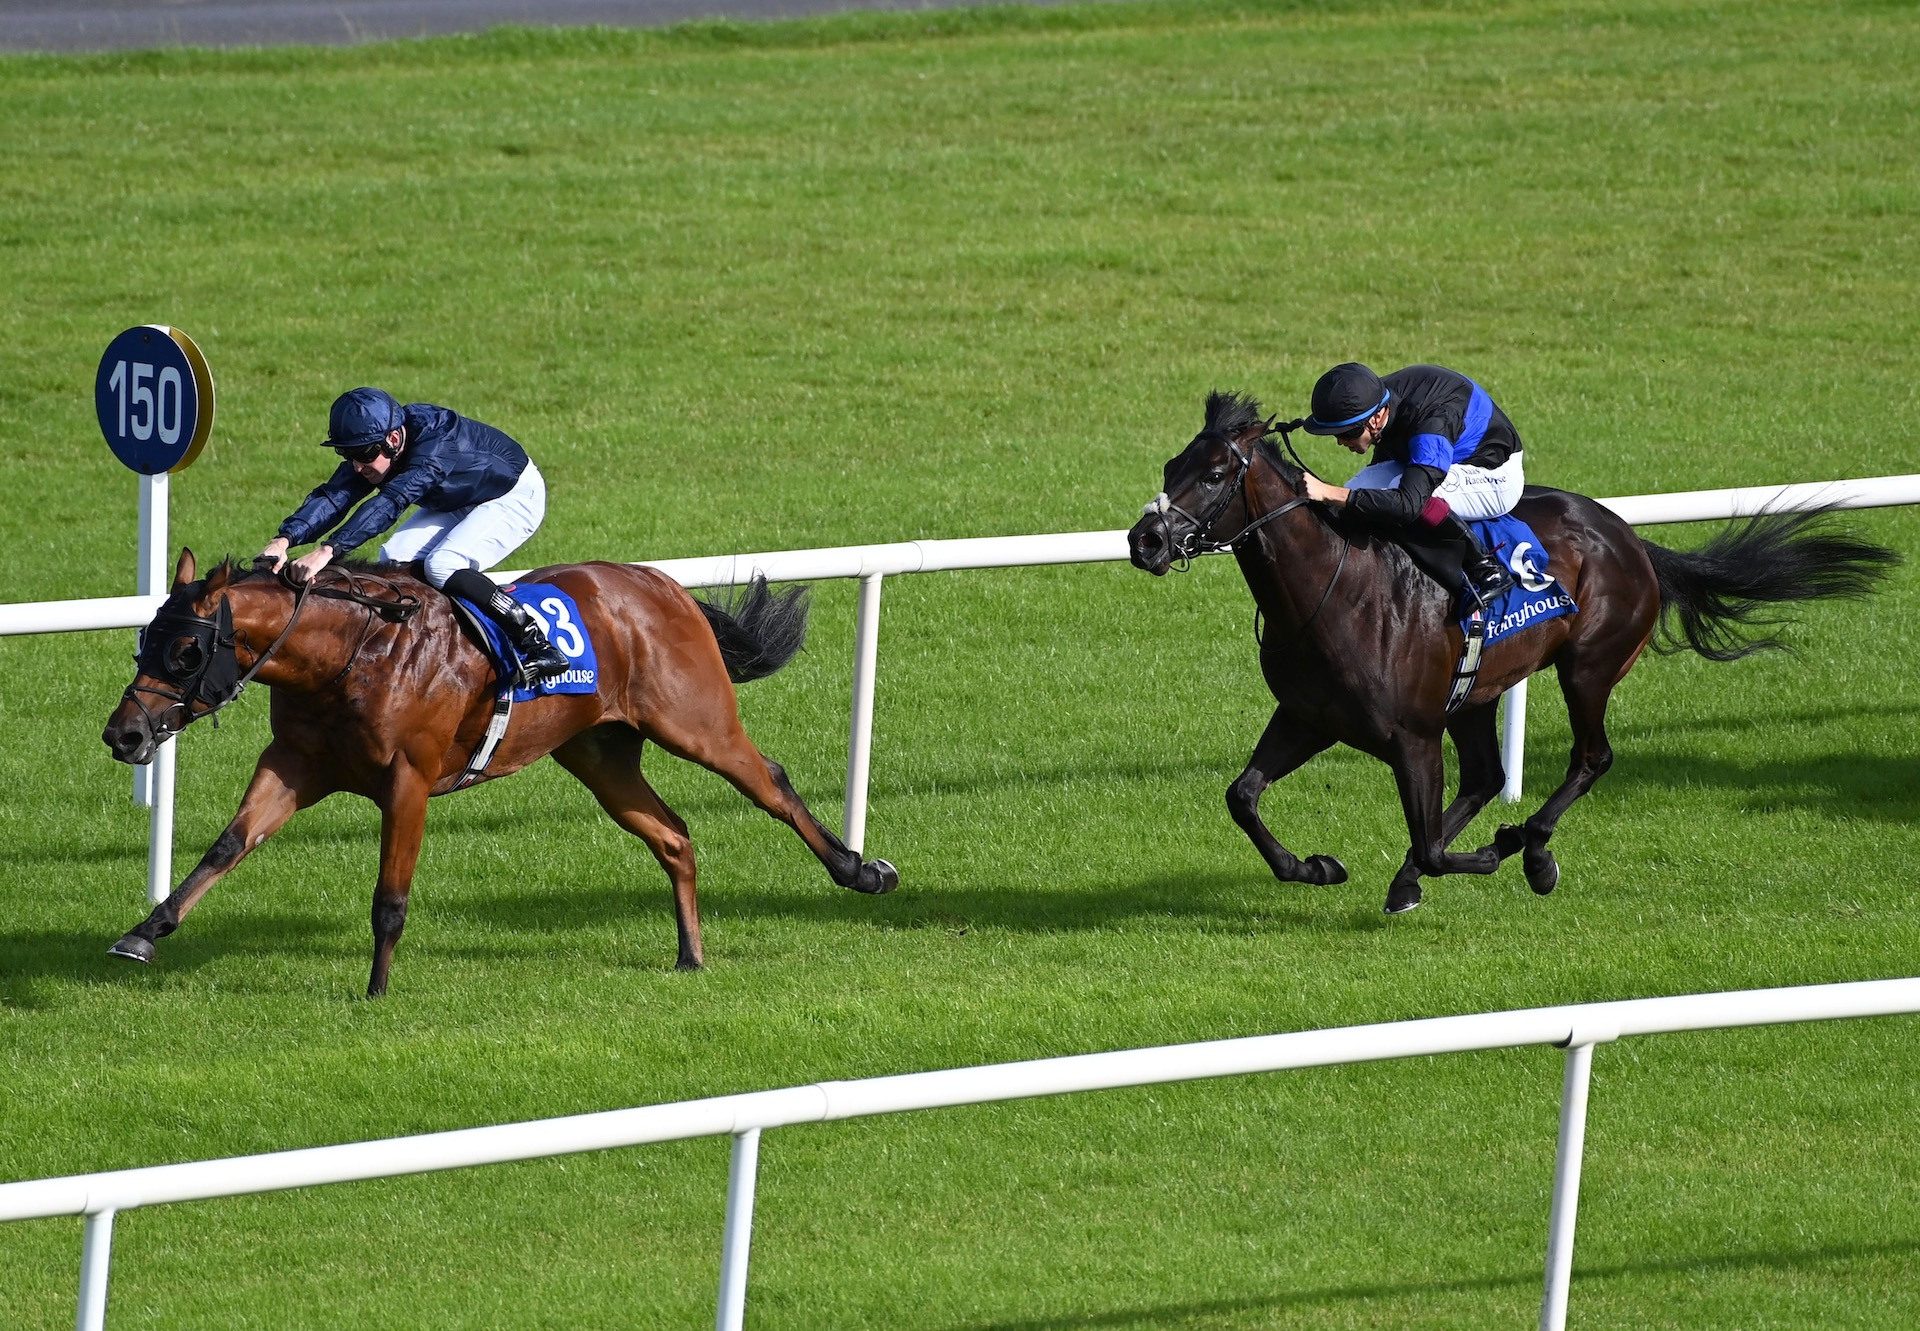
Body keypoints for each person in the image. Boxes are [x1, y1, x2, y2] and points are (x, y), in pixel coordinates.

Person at [260, 387, 570, 682]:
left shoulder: (436, 445)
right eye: (347, 454)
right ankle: (427, 649)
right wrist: (284, 539)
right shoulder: (378, 447)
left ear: (393, 438)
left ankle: (537, 643)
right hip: (459, 498)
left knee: (442, 564)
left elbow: (390, 503)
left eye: (363, 454)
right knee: (394, 560)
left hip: (511, 496)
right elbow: (334, 497)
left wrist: (328, 550)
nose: (357, 466)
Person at [1298, 362, 1520, 607]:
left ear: (1376, 418)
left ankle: (1486, 570)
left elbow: (1409, 504)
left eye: (1347, 433)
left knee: (1397, 496)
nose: (1340, 442)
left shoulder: (1431, 425)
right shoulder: (1375, 400)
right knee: (1357, 488)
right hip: (1443, 452)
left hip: (1493, 473)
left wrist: (1329, 492)